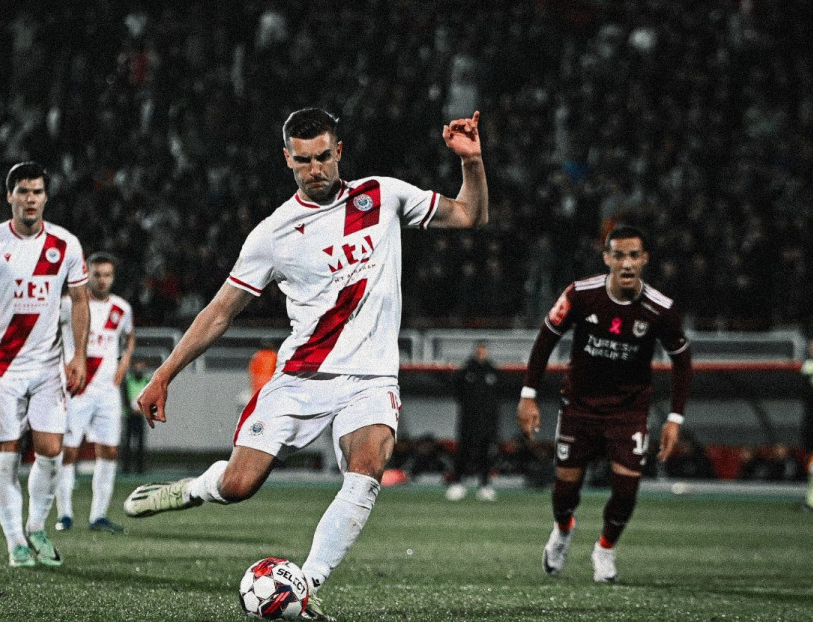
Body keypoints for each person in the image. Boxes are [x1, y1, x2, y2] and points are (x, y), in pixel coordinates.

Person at [123, 107, 488, 620]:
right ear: (287, 159)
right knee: (238, 485)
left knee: (368, 465)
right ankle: (193, 489)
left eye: (322, 157)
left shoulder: (382, 196)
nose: (315, 169)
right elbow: (221, 311)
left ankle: (304, 584)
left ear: (339, 151)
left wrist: (471, 162)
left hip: (370, 378)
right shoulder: (273, 234)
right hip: (300, 378)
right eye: (303, 161)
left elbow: (470, 214)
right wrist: (165, 374)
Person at [517, 225, 692, 583]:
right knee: (565, 489)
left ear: (644, 260)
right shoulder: (581, 294)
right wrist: (528, 395)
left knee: (627, 490)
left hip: (629, 411)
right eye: (619, 255)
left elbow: (682, 361)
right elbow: (546, 338)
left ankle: (605, 549)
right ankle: (563, 529)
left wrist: (675, 418)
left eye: (634, 256)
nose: (626, 263)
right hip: (579, 406)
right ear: (607, 258)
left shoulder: (661, 309)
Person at [0, 161, 89, 568]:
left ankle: (36, 527)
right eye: (23, 191)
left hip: (49, 367)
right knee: (7, 454)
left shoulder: (66, 245)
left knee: (51, 450)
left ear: (45, 197)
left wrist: (78, 355)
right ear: (9, 196)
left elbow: (80, 302)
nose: (30, 199)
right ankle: (15, 541)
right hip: (3, 368)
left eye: (37, 192)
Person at [55, 252, 135, 533]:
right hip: (76, 388)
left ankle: (98, 516)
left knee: (109, 451)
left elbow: (130, 337)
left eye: (107, 275)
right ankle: (64, 514)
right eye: (97, 274)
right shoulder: (69, 305)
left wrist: (124, 363)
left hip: (107, 391)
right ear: (87, 274)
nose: (102, 280)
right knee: (68, 451)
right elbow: (49, 333)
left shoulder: (121, 308)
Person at [446, 341, 500, 502]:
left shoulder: (493, 371)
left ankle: (485, 485)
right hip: (468, 420)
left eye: (484, 350)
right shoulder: (466, 370)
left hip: (487, 422)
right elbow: (457, 391)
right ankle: (457, 483)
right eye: (479, 350)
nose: (482, 353)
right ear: (475, 351)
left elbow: (499, 395)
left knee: (485, 453)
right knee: (463, 452)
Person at [122, 359, 151, 474]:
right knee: (128, 443)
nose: (139, 370)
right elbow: (125, 398)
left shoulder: (146, 381)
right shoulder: (128, 381)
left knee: (140, 443)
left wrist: (142, 409)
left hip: (140, 416)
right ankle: (126, 468)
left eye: (141, 368)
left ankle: (140, 468)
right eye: (137, 368)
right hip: (130, 416)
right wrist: (131, 409)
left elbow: (148, 398)